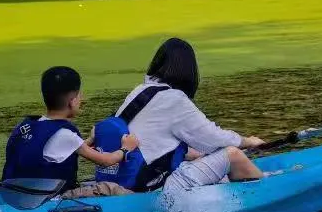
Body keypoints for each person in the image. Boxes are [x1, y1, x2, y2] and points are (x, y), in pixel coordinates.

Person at [94, 37, 266, 193]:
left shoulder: (139, 91)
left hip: (128, 178)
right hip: (151, 187)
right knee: (232, 154)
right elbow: (213, 138)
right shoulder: (173, 99)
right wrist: (249, 141)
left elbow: (158, 145)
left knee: (200, 154)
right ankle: (266, 191)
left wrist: (199, 154)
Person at [3, 65, 139, 197]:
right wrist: (126, 148)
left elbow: (52, 151)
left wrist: (88, 141)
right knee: (111, 188)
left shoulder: (28, 125)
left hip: (17, 194)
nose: (82, 99)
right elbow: (106, 160)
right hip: (49, 198)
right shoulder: (66, 134)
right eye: (80, 96)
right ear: (72, 102)